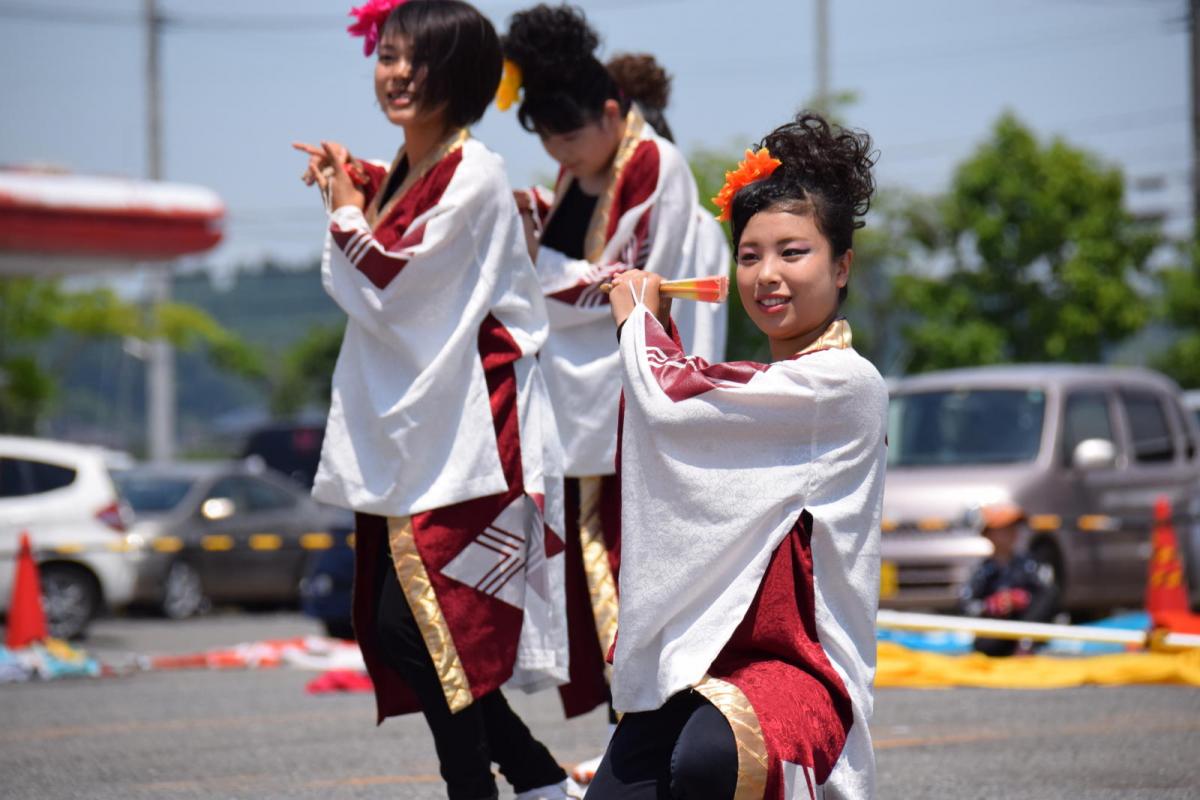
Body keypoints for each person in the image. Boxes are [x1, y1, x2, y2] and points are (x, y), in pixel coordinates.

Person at [293, 2, 572, 798]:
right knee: (418, 630)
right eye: (389, 55)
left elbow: (393, 280)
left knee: (429, 628)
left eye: (420, 60)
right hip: (425, 432)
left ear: (463, 77)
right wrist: (355, 184)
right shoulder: (416, 168)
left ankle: (496, 785)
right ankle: (540, 781)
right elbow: (396, 238)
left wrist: (345, 204)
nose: (400, 73)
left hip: (474, 432)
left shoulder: (475, 172)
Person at [593, 112, 887, 799]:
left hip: (802, 670)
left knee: (710, 760)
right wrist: (656, 333)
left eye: (793, 252)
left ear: (842, 266)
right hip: (705, 653)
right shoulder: (768, 393)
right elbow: (692, 413)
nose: (767, 275)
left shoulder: (846, 385)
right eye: (750, 256)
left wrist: (638, 324)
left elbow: (679, 401)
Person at [499, 5, 729, 777]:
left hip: (637, 390)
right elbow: (577, 263)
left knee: (625, 564)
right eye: (547, 139)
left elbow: (619, 284)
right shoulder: (581, 170)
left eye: (569, 135)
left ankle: (639, 738)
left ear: (610, 112)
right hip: (590, 398)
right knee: (601, 564)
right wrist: (537, 222)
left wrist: (534, 270)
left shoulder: (655, 163)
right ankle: (629, 735)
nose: (560, 152)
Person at [959, 504, 1058, 656]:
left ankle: (1026, 644)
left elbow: (1047, 595)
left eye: (1014, 528)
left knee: (1048, 593)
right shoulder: (982, 571)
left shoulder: (1029, 565)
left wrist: (1024, 599)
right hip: (997, 634)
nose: (1012, 533)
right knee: (986, 642)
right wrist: (990, 605)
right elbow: (965, 604)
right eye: (1004, 529)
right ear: (989, 534)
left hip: (1025, 627)